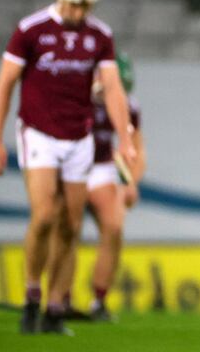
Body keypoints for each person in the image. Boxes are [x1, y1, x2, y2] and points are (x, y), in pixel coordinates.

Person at [0, 0, 137, 335]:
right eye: (74, 3)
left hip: (79, 137)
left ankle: (54, 307)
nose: (79, 12)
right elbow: (5, 86)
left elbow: (114, 89)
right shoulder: (30, 30)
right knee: (45, 216)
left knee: (71, 224)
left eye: (86, 5)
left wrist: (126, 139)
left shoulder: (100, 36)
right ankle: (31, 295)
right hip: (39, 133)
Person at [52, 52, 146, 322]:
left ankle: (100, 301)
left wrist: (130, 182)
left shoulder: (129, 105)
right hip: (72, 169)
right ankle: (61, 299)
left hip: (102, 168)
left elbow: (138, 148)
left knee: (114, 227)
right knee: (69, 230)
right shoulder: (75, 99)